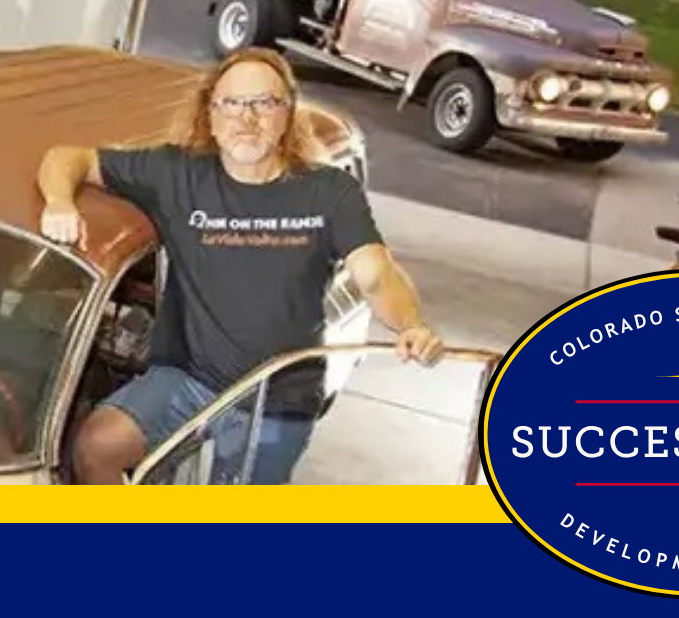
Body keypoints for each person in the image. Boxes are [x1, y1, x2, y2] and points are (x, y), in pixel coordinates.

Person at [36, 47, 445, 485]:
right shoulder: (177, 174)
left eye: (263, 103)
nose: (246, 118)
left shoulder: (329, 191)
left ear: (287, 113)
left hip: (278, 397)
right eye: (232, 103)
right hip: (189, 379)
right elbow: (66, 157)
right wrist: (59, 203)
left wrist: (410, 325)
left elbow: (376, 274)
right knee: (97, 446)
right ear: (210, 114)